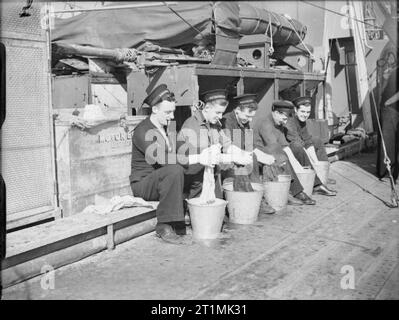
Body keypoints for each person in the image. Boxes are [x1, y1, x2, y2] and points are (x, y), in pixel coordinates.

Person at [130, 84, 220, 244]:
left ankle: (194, 212)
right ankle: (164, 225)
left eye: (173, 111)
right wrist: (198, 157)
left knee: (196, 166)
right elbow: (162, 159)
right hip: (145, 183)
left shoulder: (169, 128)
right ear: (155, 110)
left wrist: (207, 153)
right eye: (167, 112)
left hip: (166, 180)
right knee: (174, 169)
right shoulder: (142, 131)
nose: (172, 116)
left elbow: (183, 151)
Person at [177, 89, 253, 201]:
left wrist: (241, 153)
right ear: (207, 108)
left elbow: (226, 144)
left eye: (222, 112)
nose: (221, 116)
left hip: (208, 171)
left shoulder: (214, 125)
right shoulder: (193, 125)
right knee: (205, 207)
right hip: (193, 175)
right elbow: (206, 157)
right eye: (218, 112)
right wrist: (234, 158)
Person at [221, 94, 279, 214]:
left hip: (240, 155)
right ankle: (252, 198)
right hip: (227, 158)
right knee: (249, 160)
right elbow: (229, 148)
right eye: (248, 115)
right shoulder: (227, 121)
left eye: (252, 116)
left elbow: (249, 146)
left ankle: (257, 197)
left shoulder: (244, 122)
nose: (250, 120)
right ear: (237, 110)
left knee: (258, 157)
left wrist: (265, 157)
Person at [252, 100, 316, 205]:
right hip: (259, 155)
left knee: (287, 151)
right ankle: (294, 192)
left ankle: (301, 188)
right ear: (276, 113)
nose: (285, 122)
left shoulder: (279, 123)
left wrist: (296, 164)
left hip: (271, 153)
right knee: (278, 153)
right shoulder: (265, 123)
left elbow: (284, 146)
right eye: (284, 118)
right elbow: (274, 147)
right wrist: (292, 163)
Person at [285, 96, 337, 196]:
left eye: (308, 112)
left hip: (298, 143)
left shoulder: (301, 121)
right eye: (303, 112)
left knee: (316, 141)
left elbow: (307, 140)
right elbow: (298, 142)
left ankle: (322, 175)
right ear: (295, 110)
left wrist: (316, 163)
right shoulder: (290, 122)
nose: (305, 115)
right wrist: (312, 163)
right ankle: (316, 185)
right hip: (288, 147)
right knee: (298, 146)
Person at [377, 66, 398, 183]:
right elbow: (382, 91)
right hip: (387, 109)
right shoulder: (394, 71)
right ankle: (385, 172)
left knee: (390, 141)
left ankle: (389, 173)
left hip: (392, 109)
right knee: (386, 141)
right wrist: (385, 79)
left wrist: (388, 102)